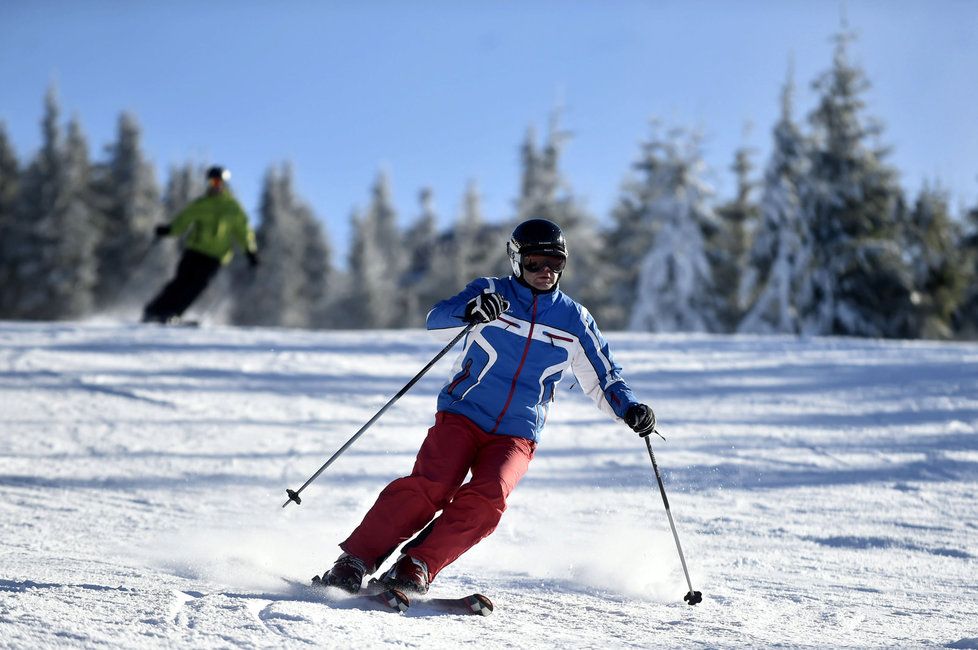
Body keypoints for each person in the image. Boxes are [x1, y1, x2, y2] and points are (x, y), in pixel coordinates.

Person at [319, 218, 658, 595]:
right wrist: (471, 311)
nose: (545, 272)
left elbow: (605, 376)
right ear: (516, 261)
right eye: (534, 263)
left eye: (555, 263)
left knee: (489, 498)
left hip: (517, 432)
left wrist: (630, 408)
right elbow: (437, 319)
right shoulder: (491, 293)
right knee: (431, 485)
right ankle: (356, 559)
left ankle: (418, 563)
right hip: (462, 415)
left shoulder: (574, 320)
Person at [142, 166, 259, 323]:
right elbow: (182, 222)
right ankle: (154, 310)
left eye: (218, 182)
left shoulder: (233, 208)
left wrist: (250, 251)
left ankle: (173, 313)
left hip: (215, 256)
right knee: (180, 281)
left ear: (224, 184)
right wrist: (168, 230)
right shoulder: (201, 204)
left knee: (196, 286)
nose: (215, 185)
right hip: (194, 251)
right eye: (212, 181)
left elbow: (243, 231)